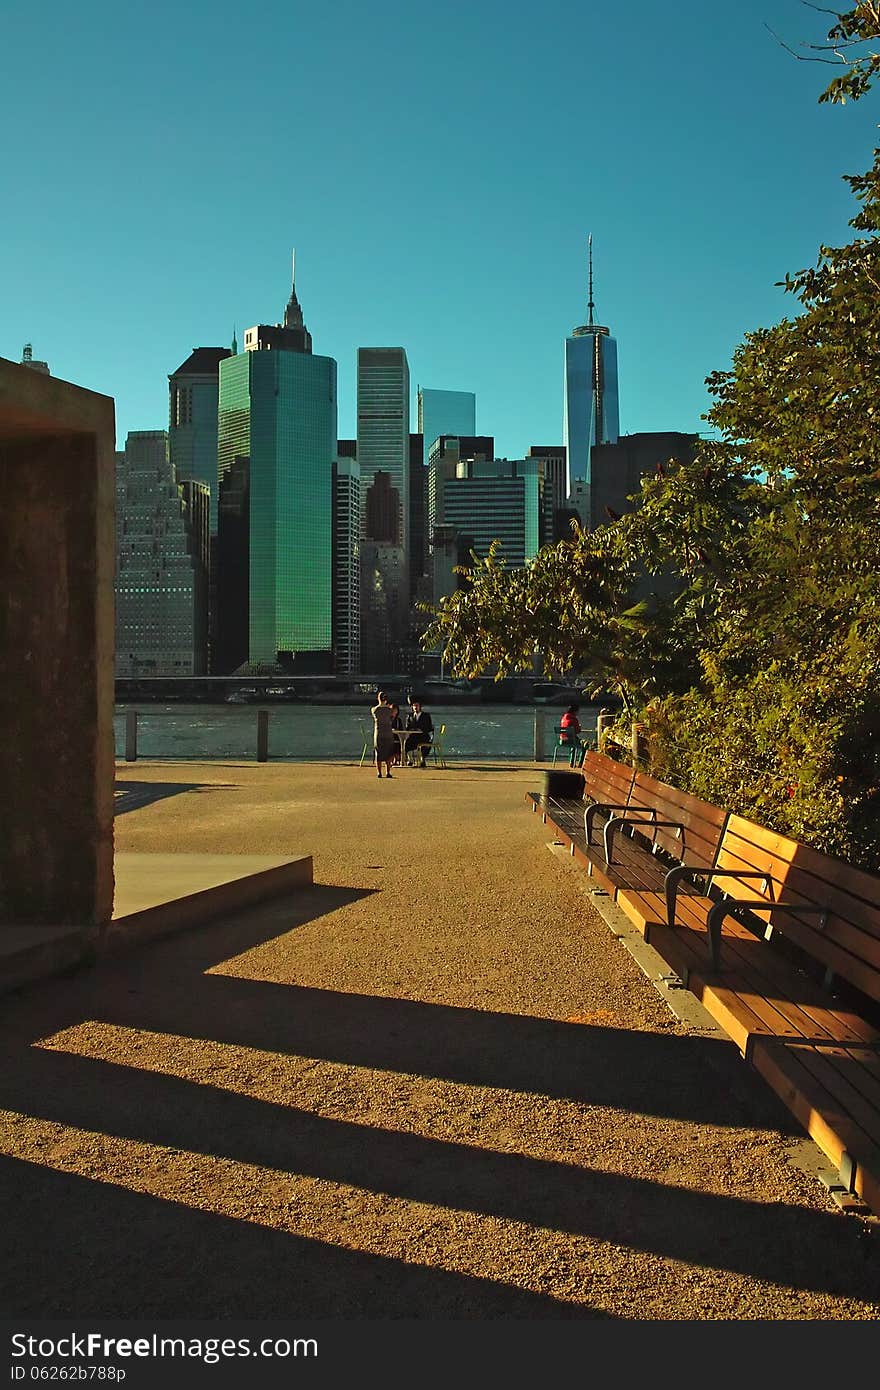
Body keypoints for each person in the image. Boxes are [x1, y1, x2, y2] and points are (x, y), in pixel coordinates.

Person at [371, 691, 396, 779]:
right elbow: (392, 717)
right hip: (388, 733)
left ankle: (379, 772)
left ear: (378, 698)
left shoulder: (374, 709)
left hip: (379, 733)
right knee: (389, 753)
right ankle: (388, 772)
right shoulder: (389, 710)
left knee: (378, 752)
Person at [405, 698, 434, 767]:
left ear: (420, 706)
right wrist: (411, 730)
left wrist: (421, 730)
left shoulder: (426, 716)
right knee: (406, 743)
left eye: (417, 706)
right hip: (413, 736)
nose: (415, 707)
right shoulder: (410, 716)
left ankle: (422, 759)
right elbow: (407, 727)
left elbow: (429, 727)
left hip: (423, 736)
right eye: (414, 706)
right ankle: (410, 760)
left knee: (423, 743)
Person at [559, 703, 586, 768]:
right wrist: (579, 727)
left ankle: (571, 763)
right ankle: (580, 764)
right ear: (575, 711)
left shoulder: (563, 718)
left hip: (562, 740)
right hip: (571, 740)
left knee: (573, 742)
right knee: (584, 746)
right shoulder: (574, 719)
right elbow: (578, 731)